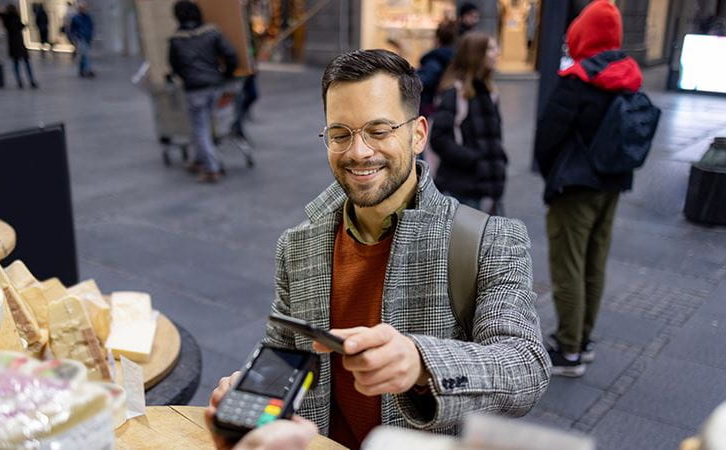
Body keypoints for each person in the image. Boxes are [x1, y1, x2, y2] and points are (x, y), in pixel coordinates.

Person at [209, 49, 550, 448]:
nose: (358, 152)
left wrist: (422, 363)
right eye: (340, 134)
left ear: (418, 134)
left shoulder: (491, 240)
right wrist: (255, 392)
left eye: (379, 130)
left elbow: (526, 365)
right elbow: (284, 354)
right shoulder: (296, 245)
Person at [534, 0, 643, 377]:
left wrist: (552, 175)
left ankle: (568, 351)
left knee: (568, 266)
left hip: (575, 186)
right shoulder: (628, 75)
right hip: (612, 183)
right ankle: (583, 339)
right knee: (595, 263)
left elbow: (547, 138)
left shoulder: (577, 81)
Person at [430, 32, 506, 215]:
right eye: (490, 48)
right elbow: (438, 139)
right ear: (476, 54)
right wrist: (473, 159)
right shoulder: (455, 94)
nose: (497, 52)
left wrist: (499, 161)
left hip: (488, 188)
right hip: (463, 189)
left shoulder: (489, 92)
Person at [168, 0, 238, 183]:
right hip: (215, 86)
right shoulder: (211, 33)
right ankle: (198, 160)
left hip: (194, 89)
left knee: (200, 129)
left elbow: (175, 67)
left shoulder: (176, 40)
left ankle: (211, 169)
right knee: (206, 126)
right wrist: (226, 74)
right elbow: (231, 55)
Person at [416, 19, 456, 118]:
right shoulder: (454, 58)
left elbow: (424, 80)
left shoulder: (434, 59)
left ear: (436, 38)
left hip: (429, 105)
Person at [0, 4, 38, 89]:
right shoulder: (14, 17)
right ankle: (31, 81)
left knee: (16, 64)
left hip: (13, 44)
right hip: (19, 43)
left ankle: (20, 81)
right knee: (26, 63)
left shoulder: (7, 18)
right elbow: (20, 26)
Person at [69, 2, 95, 78]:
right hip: (80, 38)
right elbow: (72, 29)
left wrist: (91, 34)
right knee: (86, 54)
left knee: (83, 55)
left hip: (87, 38)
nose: (84, 10)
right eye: (82, 8)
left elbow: (91, 26)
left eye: (84, 8)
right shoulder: (75, 18)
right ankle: (88, 70)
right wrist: (74, 37)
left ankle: (81, 70)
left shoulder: (88, 17)